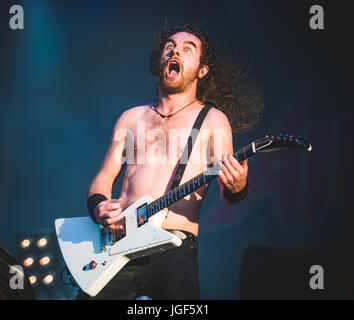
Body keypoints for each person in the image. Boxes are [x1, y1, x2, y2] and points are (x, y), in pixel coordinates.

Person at [78, 26, 264, 300]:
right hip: (118, 246)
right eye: (170, 46)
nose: (176, 50)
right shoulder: (131, 118)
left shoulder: (212, 120)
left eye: (188, 48)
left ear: (202, 70)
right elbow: (103, 177)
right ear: (161, 60)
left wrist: (238, 184)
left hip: (174, 246)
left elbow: (229, 195)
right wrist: (98, 208)